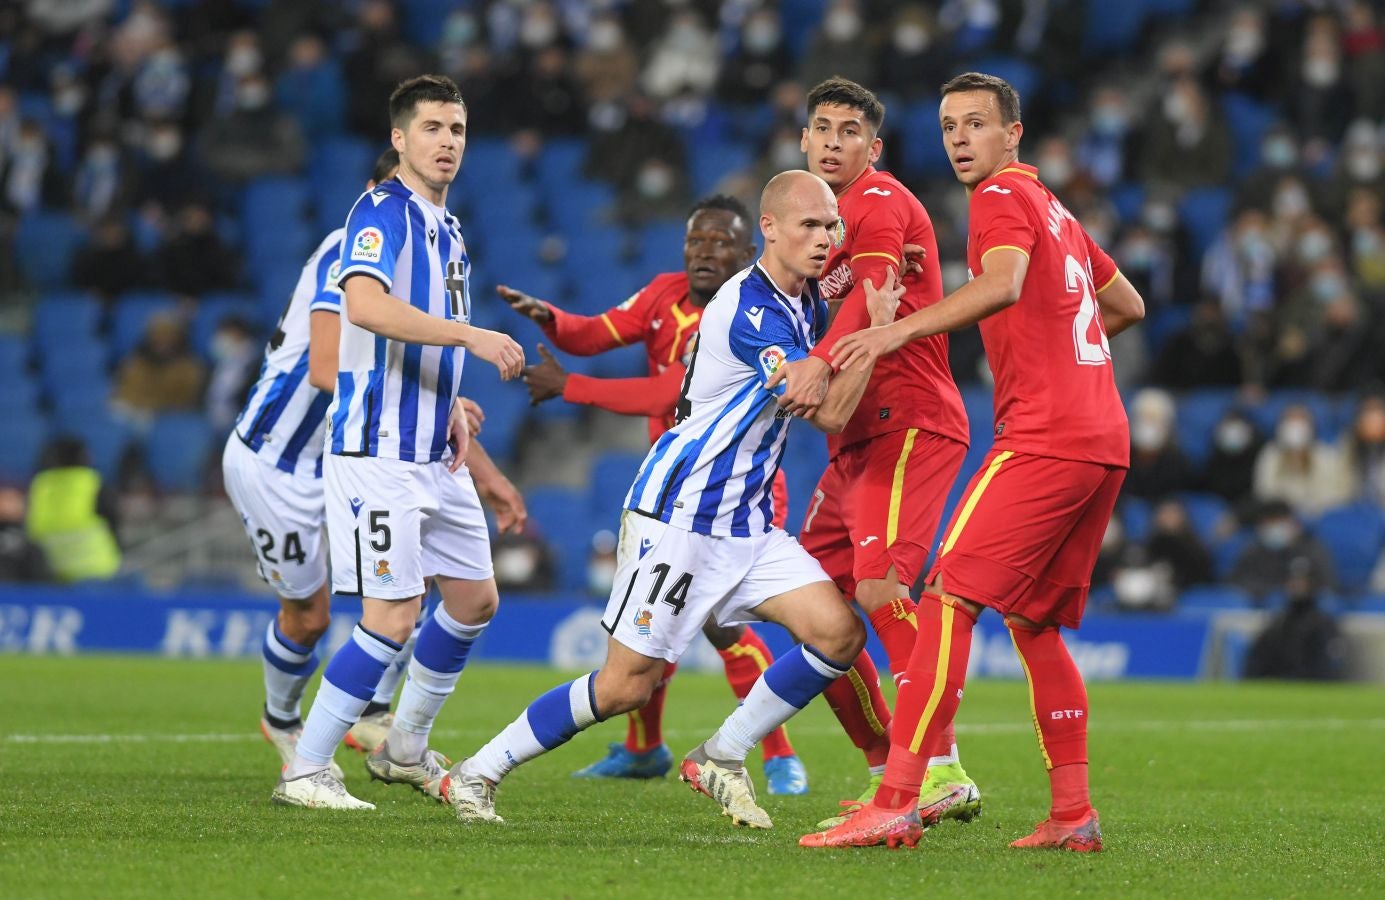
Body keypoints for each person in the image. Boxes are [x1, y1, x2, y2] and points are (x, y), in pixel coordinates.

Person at [440, 170, 900, 830]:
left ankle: (722, 754)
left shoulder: (801, 298)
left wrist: (876, 274)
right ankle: (478, 771)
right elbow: (825, 412)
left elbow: (843, 291)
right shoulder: (751, 310)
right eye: (809, 225)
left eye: (832, 226)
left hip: (745, 521)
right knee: (625, 686)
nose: (825, 238)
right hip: (681, 516)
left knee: (839, 634)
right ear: (769, 229)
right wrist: (876, 334)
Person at [803, 72, 1146, 851]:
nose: (960, 139)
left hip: (1044, 436)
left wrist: (894, 331)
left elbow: (1002, 283)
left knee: (946, 601)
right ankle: (1071, 813)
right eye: (948, 126)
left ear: (1012, 133)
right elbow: (1126, 306)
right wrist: (1055, 351)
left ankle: (899, 796)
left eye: (976, 124)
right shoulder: (1055, 207)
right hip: (1103, 436)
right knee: (1032, 624)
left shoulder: (997, 196)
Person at [226, 146, 524, 783]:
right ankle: (284, 721)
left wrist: (488, 474)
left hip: (361, 448)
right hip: (280, 459)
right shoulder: (349, 247)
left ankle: (379, 722)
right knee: (312, 616)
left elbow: (419, 382)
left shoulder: (432, 253)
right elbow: (325, 367)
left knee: (415, 592)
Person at [500, 195, 813, 794]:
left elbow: (667, 394)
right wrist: (551, 318)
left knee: (719, 624)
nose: (704, 252)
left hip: (736, 490)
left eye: (721, 242)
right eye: (696, 240)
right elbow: (595, 333)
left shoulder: (738, 312)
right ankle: (644, 748)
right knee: (651, 623)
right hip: (674, 489)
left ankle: (779, 755)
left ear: (750, 253)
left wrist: (570, 388)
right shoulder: (663, 294)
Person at [770, 77, 978, 830]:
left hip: (908, 419)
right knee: (817, 611)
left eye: (849, 131)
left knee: (882, 586)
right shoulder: (820, 226)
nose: (833, 142)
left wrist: (818, 362)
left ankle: (939, 769)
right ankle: (888, 765)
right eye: (822, 128)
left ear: (874, 147)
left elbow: (874, 292)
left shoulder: (877, 200)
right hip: (855, 436)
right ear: (802, 140)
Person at [25, 438, 120, 583]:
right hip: (95, 569)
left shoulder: (39, 484)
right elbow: (113, 519)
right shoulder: (91, 481)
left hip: (48, 571)